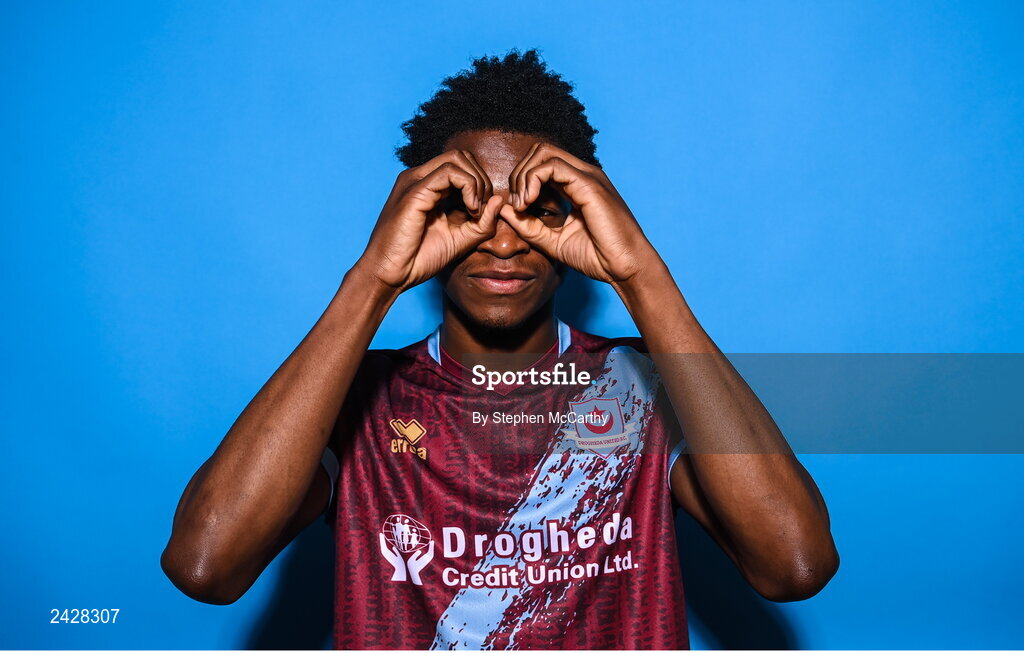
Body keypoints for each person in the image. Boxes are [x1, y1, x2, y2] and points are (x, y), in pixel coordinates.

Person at [161, 50, 839, 649]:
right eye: (468, 206)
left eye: (538, 208)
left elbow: (795, 562)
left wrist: (641, 276)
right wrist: (372, 281)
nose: (505, 242)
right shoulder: (353, 400)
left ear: (580, 217)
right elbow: (207, 561)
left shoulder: (644, 385)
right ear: (422, 215)